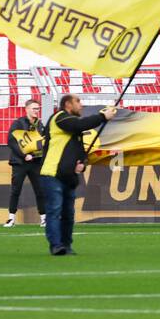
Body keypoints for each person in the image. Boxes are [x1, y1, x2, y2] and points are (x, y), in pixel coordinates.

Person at [39, 94, 117, 256]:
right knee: (55, 210)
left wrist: (83, 163)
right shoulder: (59, 118)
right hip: (52, 173)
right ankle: (56, 245)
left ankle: (66, 245)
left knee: (68, 214)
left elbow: (80, 151)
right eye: (78, 101)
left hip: (68, 177)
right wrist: (103, 116)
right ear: (68, 104)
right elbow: (78, 125)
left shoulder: (75, 130)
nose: (81, 105)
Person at [6, 99, 47, 228]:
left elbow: (43, 142)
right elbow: (11, 141)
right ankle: (11, 218)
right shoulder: (18, 123)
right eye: (34, 108)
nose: (36, 111)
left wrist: (37, 155)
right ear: (27, 109)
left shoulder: (40, 125)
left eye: (38, 108)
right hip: (19, 163)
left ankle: (44, 219)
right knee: (16, 190)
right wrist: (24, 155)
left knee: (40, 190)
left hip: (35, 163)